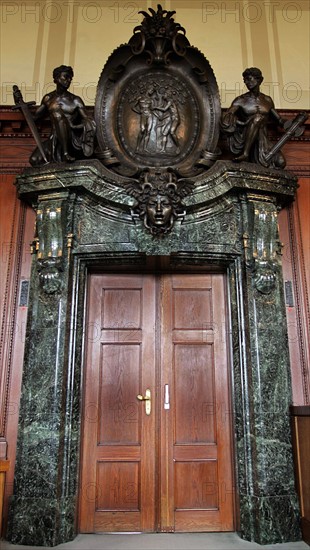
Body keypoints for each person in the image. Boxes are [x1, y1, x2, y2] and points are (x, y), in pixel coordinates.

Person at [30, 65, 96, 165]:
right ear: (56, 79)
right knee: (35, 160)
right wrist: (21, 105)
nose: (68, 80)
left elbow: (88, 121)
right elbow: (35, 118)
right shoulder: (48, 98)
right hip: (54, 138)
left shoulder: (75, 100)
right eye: (65, 77)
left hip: (72, 140)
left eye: (70, 78)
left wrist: (75, 126)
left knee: (57, 114)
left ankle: (65, 153)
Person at [221, 67, 286, 168]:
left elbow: (279, 120)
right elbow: (228, 116)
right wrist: (241, 123)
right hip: (246, 141)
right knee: (257, 118)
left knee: (281, 163)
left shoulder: (267, 100)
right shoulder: (240, 100)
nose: (247, 82)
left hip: (263, 140)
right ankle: (245, 154)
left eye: (249, 79)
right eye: (245, 80)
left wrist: (292, 123)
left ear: (259, 80)